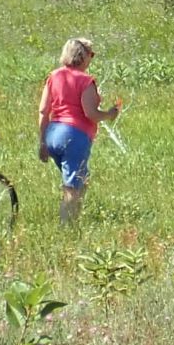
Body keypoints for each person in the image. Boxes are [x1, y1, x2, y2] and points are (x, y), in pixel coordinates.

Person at [37, 36, 119, 223]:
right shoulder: (85, 81)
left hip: (53, 134)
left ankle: (74, 217)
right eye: (92, 54)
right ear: (83, 56)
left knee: (81, 179)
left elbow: (43, 110)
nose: (92, 58)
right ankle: (67, 227)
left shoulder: (54, 76)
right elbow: (91, 114)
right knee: (73, 187)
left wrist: (42, 142)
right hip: (74, 136)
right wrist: (109, 114)